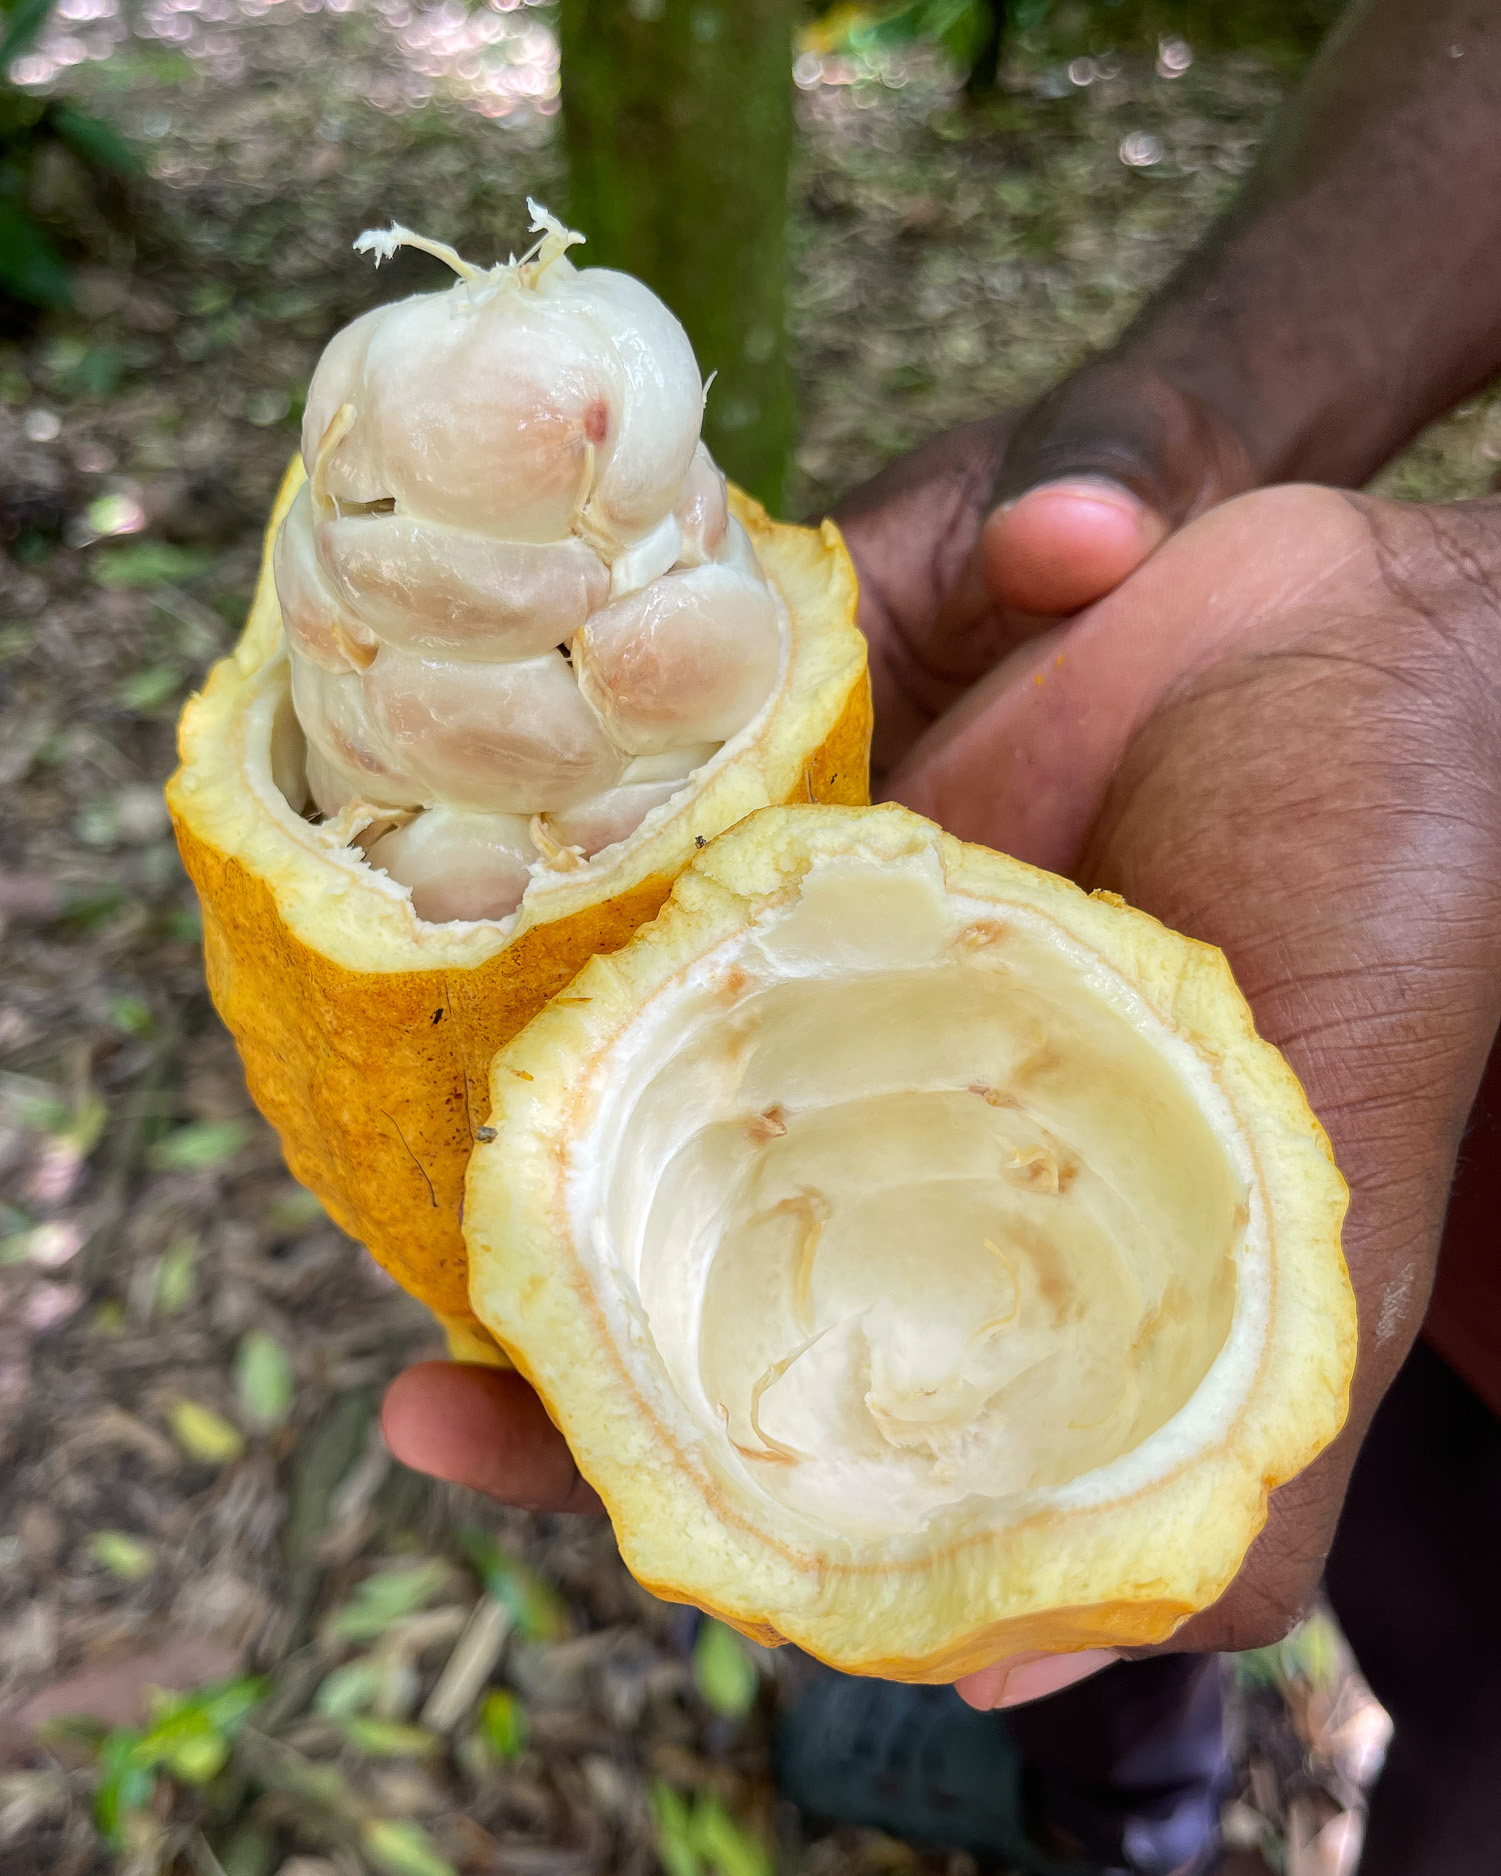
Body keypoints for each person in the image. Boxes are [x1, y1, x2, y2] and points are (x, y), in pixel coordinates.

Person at [381, 1, 1501, 1868]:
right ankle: (1109, 1801)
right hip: (1428, 1197)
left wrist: (1467, 632)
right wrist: (1200, 413)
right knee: (1269, 1558)